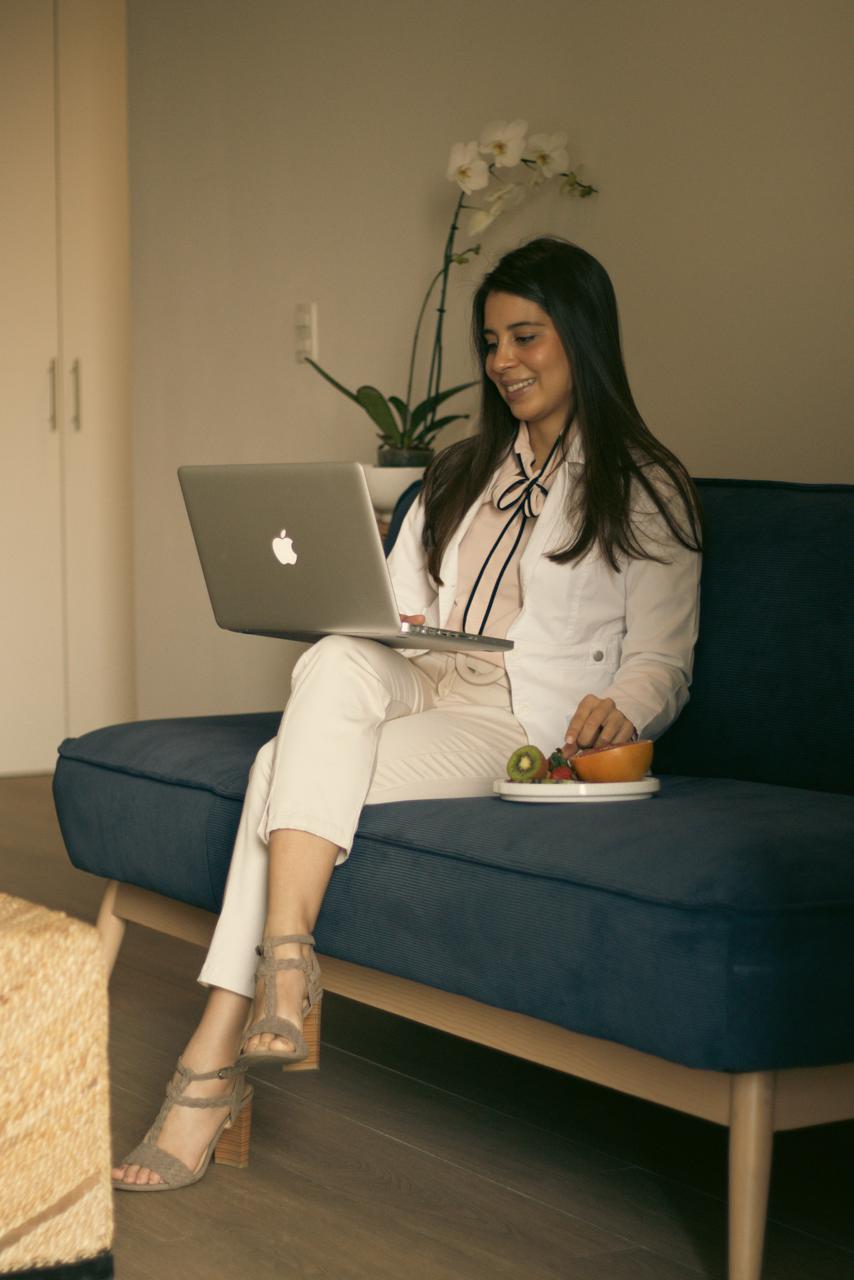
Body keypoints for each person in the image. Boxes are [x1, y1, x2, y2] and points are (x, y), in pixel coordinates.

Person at [112, 236, 702, 1190]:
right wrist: (400, 621)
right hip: (421, 674)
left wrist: (623, 706)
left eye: (525, 337)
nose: (503, 361)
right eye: (490, 343)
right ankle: (292, 960)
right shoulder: (463, 469)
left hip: (514, 717)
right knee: (339, 653)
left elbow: (663, 660)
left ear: (580, 337)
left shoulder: (643, 483)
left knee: (276, 772)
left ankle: (213, 1057)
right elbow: (387, 606)